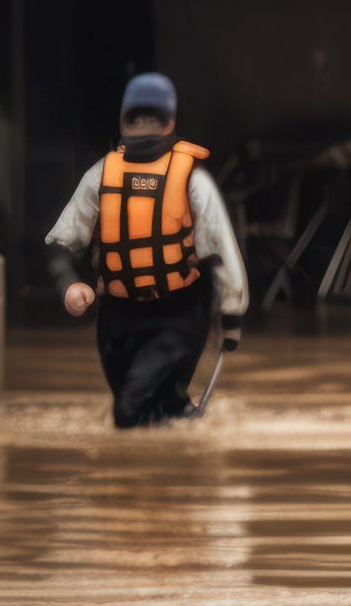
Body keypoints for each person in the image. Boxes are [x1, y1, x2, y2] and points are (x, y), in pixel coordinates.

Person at [42, 73, 249, 429]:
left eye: (153, 119)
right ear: (123, 121)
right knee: (153, 411)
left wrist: (231, 314)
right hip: (117, 319)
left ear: (170, 123)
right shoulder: (101, 175)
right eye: (135, 119)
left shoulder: (192, 179)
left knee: (128, 411)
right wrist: (69, 287)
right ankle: (179, 464)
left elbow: (220, 251)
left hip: (179, 315)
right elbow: (60, 244)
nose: (143, 127)